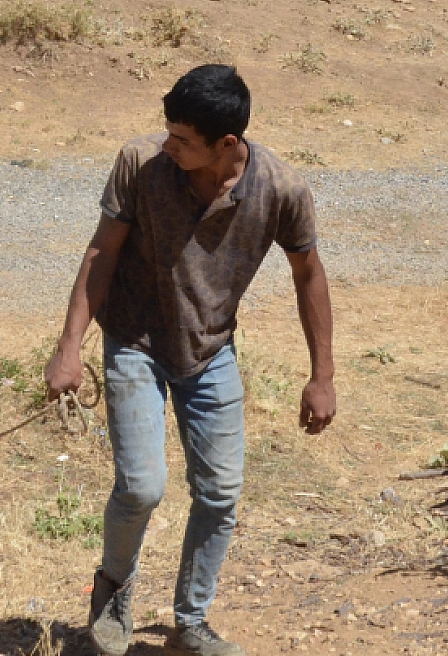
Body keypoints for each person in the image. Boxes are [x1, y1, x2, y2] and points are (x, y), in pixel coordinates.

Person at [45, 64, 336, 656]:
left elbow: (309, 275)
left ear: (227, 145)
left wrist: (321, 376)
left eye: (182, 139)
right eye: (167, 131)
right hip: (135, 342)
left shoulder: (281, 189)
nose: (167, 146)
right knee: (143, 486)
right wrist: (69, 346)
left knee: (221, 493)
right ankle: (112, 592)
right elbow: (102, 252)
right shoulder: (141, 164)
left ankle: (192, 621)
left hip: (210, 351)